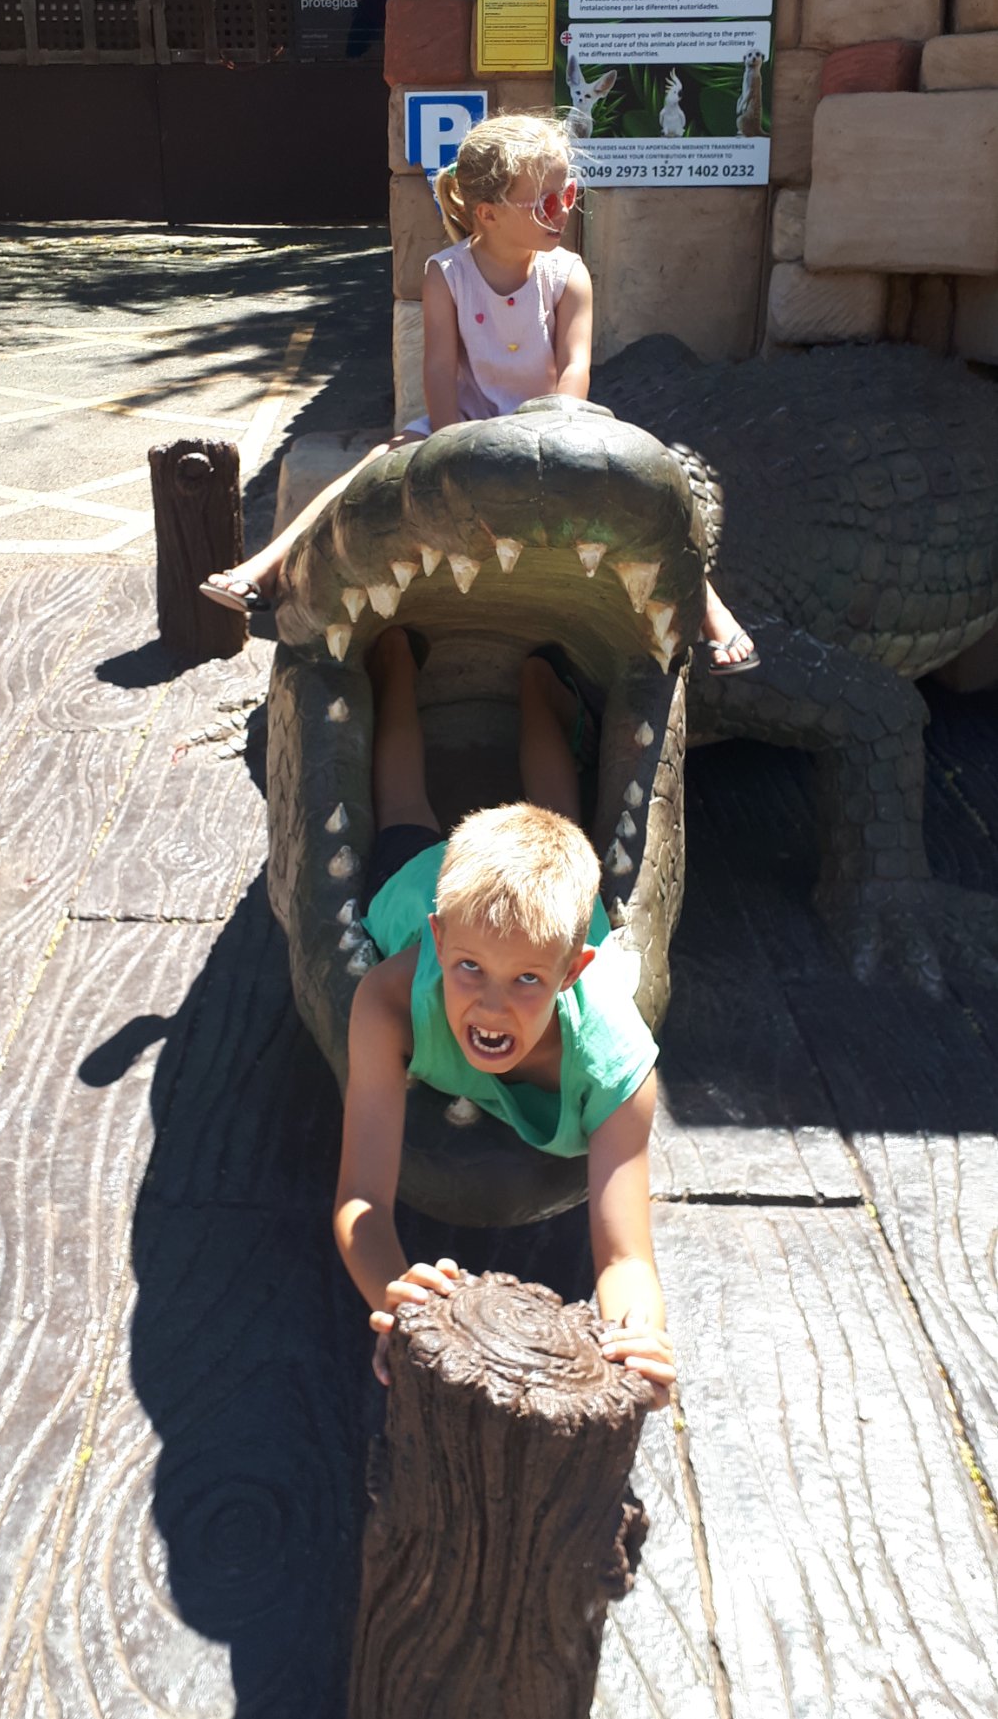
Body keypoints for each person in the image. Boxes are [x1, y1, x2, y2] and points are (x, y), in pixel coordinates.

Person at [200, 112, 757, 675]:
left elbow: (574, 370)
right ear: (487, 214)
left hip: (556, 426)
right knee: (372, 464)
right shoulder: (446, 273)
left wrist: (554, 437)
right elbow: (439, 370)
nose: (563, 211)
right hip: (462, 423)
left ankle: (714, 614)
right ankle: (267, 566)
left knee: (640, 496)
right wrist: (450, 451)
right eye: (545, 203)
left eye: (568, 194)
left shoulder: (568, 274)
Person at [333, 625, 678, 1398]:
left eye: (526, 980)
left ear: (572, 972)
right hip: (420, 881)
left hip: (527, 926)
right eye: (467, 971)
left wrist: (638, 1335)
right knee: (402, 814)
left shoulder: (616, 1064)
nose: (490, 1003)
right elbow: (361, 1199)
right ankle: (394, 665)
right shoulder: (391, 998)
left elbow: (625, 1258)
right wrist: (392, 1294)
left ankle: (537, 689)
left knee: (558, 819)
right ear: (434, 946)